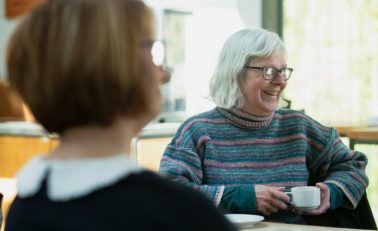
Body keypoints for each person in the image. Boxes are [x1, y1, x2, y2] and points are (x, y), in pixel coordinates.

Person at [4, 0, 235, 230]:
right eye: (153, 52)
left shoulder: (24, 208)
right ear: (116, 65)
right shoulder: (180, 213)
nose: (164, 74)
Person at [159, 28, 370, 226]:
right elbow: (168, 194)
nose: (281, 82)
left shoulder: (299, 127)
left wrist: (331, 193)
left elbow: (353, 166)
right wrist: (243, 197)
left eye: (283, 71)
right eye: (269, 71)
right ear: (236, 72)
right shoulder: (197, 131)